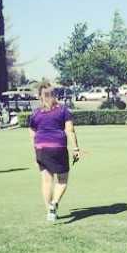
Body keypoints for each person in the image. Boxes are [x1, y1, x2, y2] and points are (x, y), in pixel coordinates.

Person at [29, 83, 80, 222]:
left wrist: (35, 151)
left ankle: (50, 212)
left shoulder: (35, 113)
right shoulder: (63, 110)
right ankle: (54, 203)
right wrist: (76, 148)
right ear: (54, 95)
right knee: (62, 180)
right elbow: (70, 130)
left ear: (40, 96)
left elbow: (32, 132)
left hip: (41, 148)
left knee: (46, 181)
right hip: (58, 147)